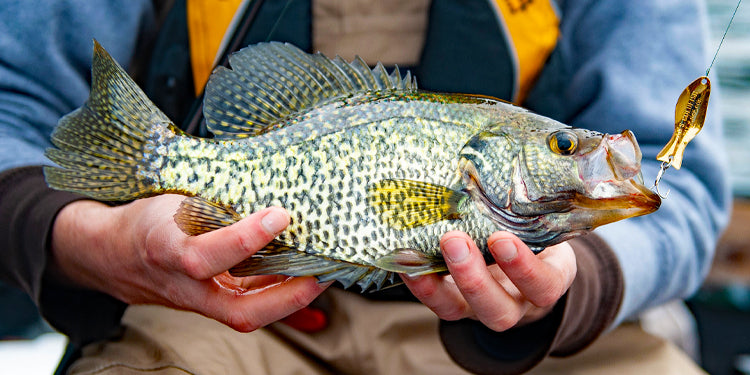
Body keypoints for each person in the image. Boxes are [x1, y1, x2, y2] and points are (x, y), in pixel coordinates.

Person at [0, 0, 730, 374]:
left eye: (563, 143)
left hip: (545, 348)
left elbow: (681, 181)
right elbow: (18, 105)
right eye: (564, 148)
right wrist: (88, 240)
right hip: (218, 308)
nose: (578, 156)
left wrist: (577, 282)